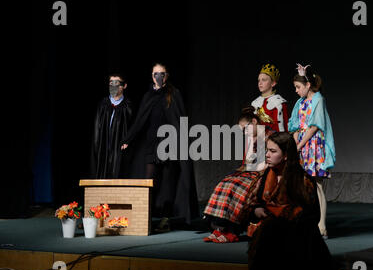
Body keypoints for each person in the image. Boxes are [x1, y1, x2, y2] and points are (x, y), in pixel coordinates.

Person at [239, 132, 340, 270]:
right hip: (268, 242)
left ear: (285, 155)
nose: (267, 155)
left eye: (273, 151)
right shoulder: (265, 176)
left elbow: (310, 214)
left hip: (297, 243)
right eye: (267, 150)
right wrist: (256, 210)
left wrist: (282, 219)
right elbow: (254, 202)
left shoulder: (302, 179)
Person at [121, 63, 198, 231]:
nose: (158, 77)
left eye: (161, 74)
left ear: (166, 76)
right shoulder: (148, 96)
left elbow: (180, 119)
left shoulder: (174, 94)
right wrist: (128, 139)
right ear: (151, 76)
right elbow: (140, 120)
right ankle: (145, 217)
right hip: (151, 146)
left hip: (169, 146)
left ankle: (166, 219)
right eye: (156, 73)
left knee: (168, 185)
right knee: (150, 183)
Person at [202, 107, 274, 243]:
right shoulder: (251, 139)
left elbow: (271, 160)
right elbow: (248, 161)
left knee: (236, 187)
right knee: (225, 183)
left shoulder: (270, 136)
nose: (244, 132)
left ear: (254, 122)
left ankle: (231, 230)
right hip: (250, 170)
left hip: (263, 172)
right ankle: (218, 228)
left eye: (245, 128)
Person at [288, 63, 336, 239]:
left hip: (313, 145)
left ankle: (321, 225)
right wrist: (295, 142)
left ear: (308, 85)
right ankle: (303, 221)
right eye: (295, 87)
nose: (296, 90)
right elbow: (294, 125)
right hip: (300, 144)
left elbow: (315, 126)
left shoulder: (318, 99)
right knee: (300, 185)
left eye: (298, 87)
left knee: (317, 185)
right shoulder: (300, 102)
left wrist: (300, 145)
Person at [90, 73, 133, 179]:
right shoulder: (103, 105)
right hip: (103, 148)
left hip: (119, 151)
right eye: (111, 83)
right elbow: (97, 129)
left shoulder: (128, 106)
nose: (113, 86)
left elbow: (131, 129)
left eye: (117, 83)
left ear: (124, 86)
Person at [251, 63, 289, 132]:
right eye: (259, 80)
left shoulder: (279, 103)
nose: (260, 83)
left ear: (273, 83)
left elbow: (285, 127)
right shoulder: (254, 103)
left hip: (275, 140)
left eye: (264, 80)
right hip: (259, 141)